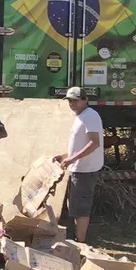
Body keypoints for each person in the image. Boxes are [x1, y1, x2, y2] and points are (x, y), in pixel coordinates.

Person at [53, 86, 104, 243]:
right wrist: (64, 156)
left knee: (81, 207)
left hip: (85, 170)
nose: (72, 104)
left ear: (85, 100)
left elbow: (94, 143)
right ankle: (77, 238)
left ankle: (80, 241)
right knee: (75, 206)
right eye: (69, 101)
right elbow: (79, 145)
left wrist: (71, 159)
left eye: (75, 100)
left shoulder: (90, 116)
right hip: (79, 168)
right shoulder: (80, 117)